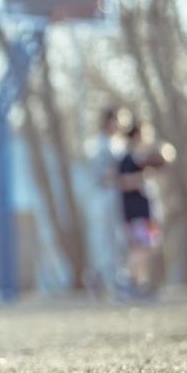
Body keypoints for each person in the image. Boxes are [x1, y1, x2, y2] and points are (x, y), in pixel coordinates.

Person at [117, 121, 163, 297]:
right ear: (136, 136)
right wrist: (142, 177)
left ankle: (139, 284)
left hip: (146, 212)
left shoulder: (144, 159)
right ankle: (128, 281)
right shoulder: (128, 159)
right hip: (136, 212)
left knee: (148, 247)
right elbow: (123, 182)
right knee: (140, 248)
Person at [85, 107, 123, 296]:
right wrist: (123, 176)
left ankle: (111, 278)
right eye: (118, 120)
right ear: (109, 121)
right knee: (104, 240)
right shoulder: (99, 145)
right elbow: (101, 174)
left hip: (114, 197)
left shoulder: (117, 143)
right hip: (102, 198)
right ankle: (100, 278)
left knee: (116, 240)